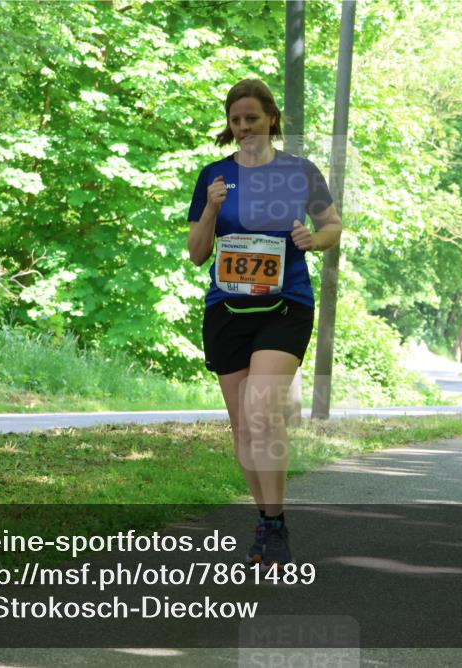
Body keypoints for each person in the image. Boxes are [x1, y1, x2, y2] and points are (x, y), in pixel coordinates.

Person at [187, 79, 342, 568]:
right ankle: (264, 519)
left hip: (285, 304)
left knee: (260, 411)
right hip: (226, 311)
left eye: (251, 118)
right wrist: (212, 208)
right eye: (235, 120)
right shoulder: (214, 175)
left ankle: (274, 524)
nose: (243, 128)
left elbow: (332, 226)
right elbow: (196, 255)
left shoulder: (300, 172)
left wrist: (311, 240)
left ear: (271, 118)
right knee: (242, 427)